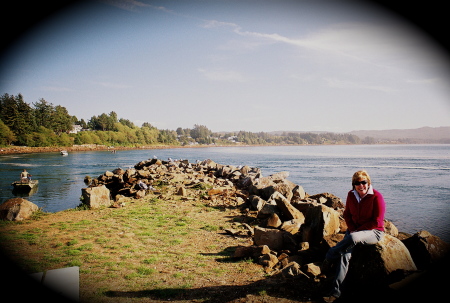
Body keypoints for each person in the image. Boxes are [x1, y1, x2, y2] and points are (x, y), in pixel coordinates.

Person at [322, 170, 386, 302]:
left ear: (368, 183)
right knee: (345, 255)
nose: (361, 185)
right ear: (353, 184)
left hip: (374, 231)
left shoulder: (376, 197)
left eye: (364, 182)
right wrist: (352, 228)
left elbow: (377, 221)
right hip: (354, 230)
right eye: (358, 183)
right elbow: (347, 214)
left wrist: (356, 231)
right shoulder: (351, 195)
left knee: (351, 238)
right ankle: (335, 293)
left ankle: (330, 255)